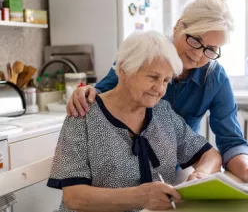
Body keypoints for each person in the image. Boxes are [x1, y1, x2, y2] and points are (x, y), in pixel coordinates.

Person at [65, 0, 248, 183]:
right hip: (117, 174)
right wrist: (85, 93)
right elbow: (103, 95)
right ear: (178, 26)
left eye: (210, 49)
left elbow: (231, 141)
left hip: (170, 173)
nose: (198, 54)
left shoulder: (215, 79)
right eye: (195, 40)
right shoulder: (144, 53)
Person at [48, 30, 222, 212]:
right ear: (123, 69)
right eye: (153, 77)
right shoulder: (83, 113)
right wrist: (141, 197)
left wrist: (201, 174)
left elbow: (210, 156)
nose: (159, 89)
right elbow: (74, 197)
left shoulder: (163, 112)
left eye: (166, 80)